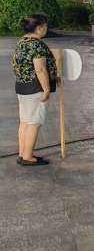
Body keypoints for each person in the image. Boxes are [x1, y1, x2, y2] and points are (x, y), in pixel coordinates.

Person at [12, 14, 57, 166]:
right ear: (38, 28)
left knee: (25, 121)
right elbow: (40, 69)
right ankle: (28, 157)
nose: (46, 29)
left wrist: (53, 76)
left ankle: (22, 154)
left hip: (22, 87)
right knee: (34, 122)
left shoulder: (22, 42)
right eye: (45, 26)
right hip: (35, 88)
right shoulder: (37, 45)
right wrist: (46, 89)